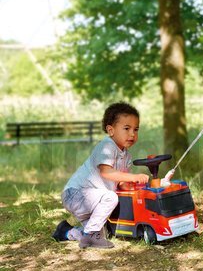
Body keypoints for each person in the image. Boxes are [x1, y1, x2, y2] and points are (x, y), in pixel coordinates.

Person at [52, 102, 149, 249]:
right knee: (111, 197)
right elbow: (106, 172)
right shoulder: (107, 146)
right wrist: (133, 177)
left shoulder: (126, 156)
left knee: (103, 234)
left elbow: (120, 182)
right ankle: (91, 236)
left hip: (92, 199)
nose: (132, 134)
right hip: (76, 194)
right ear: (111, 130)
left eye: (136, 129)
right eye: (127, 128)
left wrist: (132, 184)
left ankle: (66, 232)